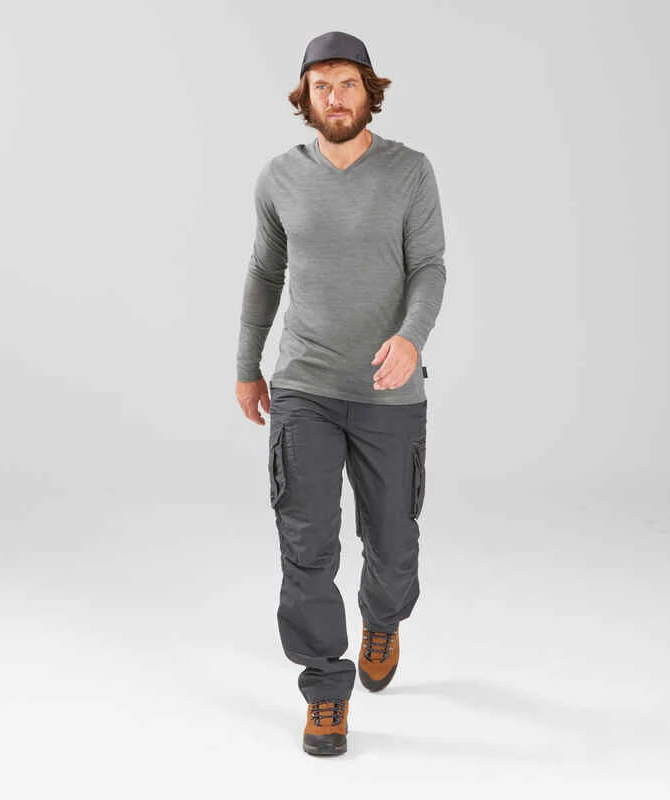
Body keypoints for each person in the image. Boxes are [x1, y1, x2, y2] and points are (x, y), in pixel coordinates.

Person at [234, 30, 446, 756]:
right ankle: (326, 686)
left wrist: (411, 338)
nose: (335, 97)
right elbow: (264, 273)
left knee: (393, 544)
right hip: (305, 387)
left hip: (390, 392)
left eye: (347, 83)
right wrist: (247, 364)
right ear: (305, 97)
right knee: (306, 544)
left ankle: (382, 619)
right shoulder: (279, 178)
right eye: (321, 85)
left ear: (369, 91)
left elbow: (429, 267)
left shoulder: (410, 171)